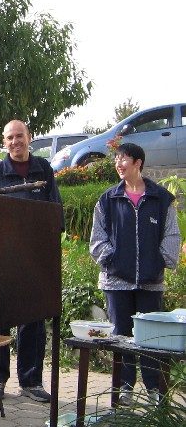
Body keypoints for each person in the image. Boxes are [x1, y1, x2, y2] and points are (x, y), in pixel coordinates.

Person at [0, 119, 63, 403]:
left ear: (30, 137)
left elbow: (55, 213)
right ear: (4, 142)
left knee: (32, 322)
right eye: (10, 138)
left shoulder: (44, 170)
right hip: (1, 263)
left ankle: (31, 381)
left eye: (20, 136)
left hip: (33, 262)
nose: (15, 142)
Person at [89, 143, 180, 406]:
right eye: (116, 158)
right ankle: (124, 389)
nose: (118, 163)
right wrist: (112, 259)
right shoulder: (107, 199)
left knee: (153, 340)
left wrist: (159, 261)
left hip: (151, 284)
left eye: (123, 158)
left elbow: (172, 235)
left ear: (138, 163)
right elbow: (97, 239)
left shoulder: (161, 199)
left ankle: (154, 391)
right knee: (121, 336)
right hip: (116, 283)